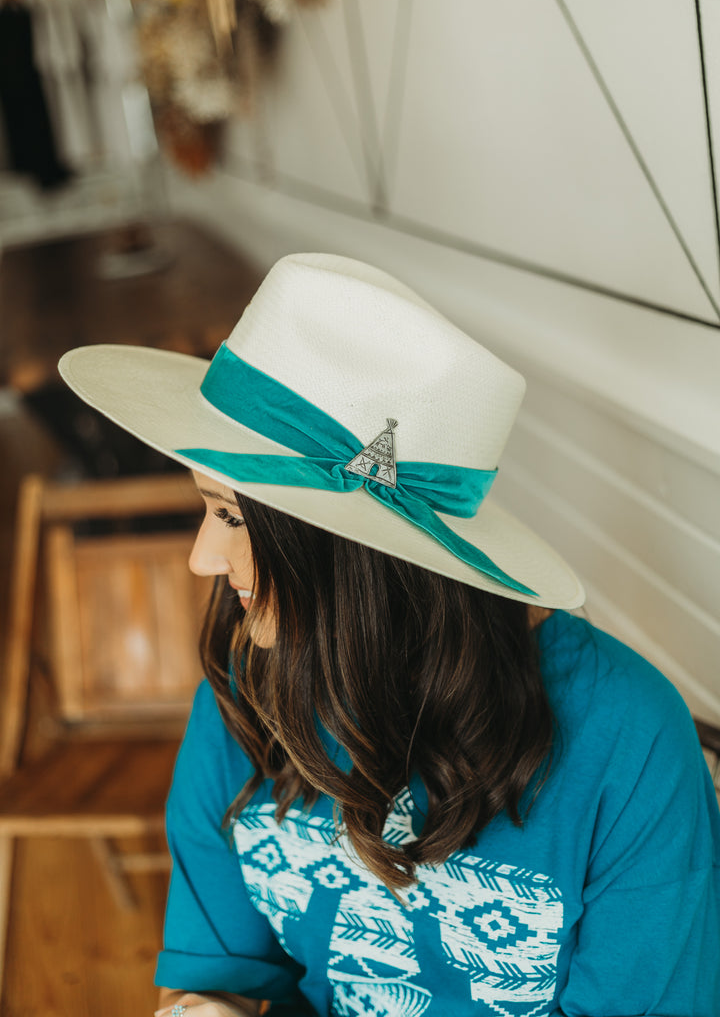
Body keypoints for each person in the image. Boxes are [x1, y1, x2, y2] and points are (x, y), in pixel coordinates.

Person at [59, 253, 720, 1017]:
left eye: (232, 515)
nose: (201, 557)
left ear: (352, 550)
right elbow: (220, 975)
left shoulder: (626, 739)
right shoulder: (247, 689)